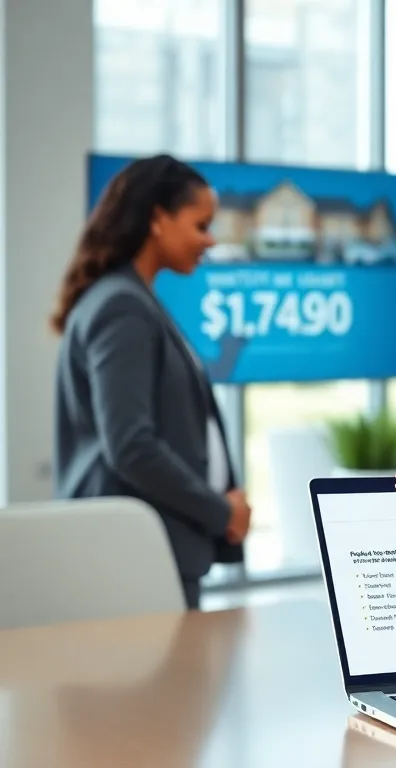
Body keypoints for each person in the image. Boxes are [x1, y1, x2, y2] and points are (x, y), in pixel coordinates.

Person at [52, 154, 251, 611]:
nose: (210, 240)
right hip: (134, 558)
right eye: (201, 225)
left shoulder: (134, 301)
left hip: (150, 553)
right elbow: (131, 445)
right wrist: (221, 511)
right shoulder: (122, 307)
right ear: (158, 219)